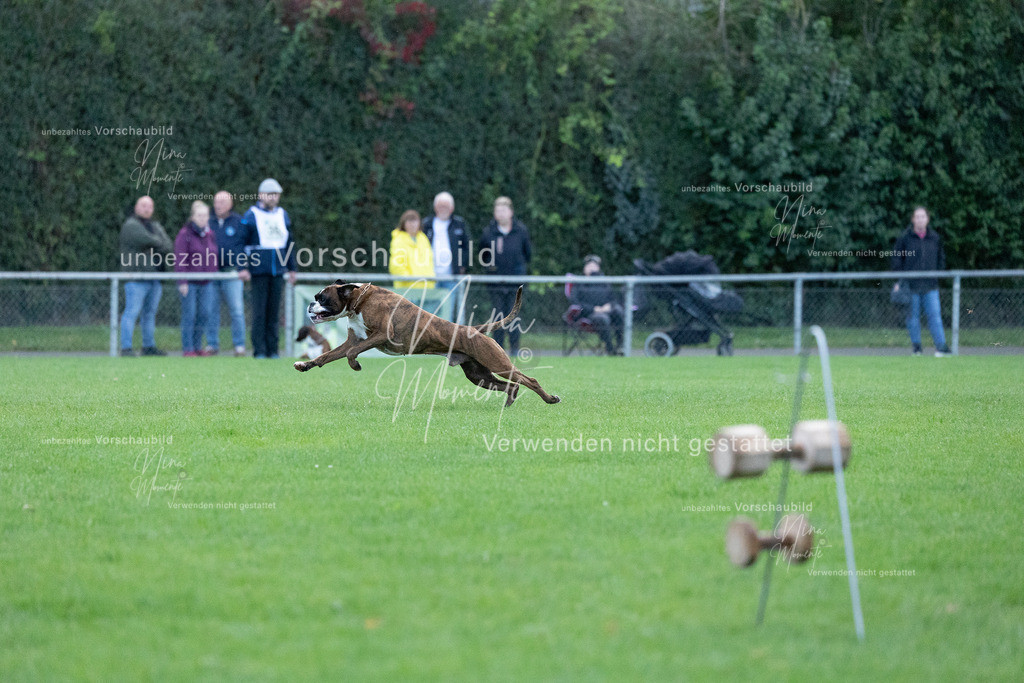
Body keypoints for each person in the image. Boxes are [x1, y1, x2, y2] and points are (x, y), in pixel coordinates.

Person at [240, 178, 297, 359]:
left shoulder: (283, 215)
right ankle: (260, 350)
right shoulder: (251, 215)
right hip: (258, 270)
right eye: (270, 194)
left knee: (273, 313)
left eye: (276, 195)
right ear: (261, 195)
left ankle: (273, 350)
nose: (273, 198)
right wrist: (243, 266)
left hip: (278, 271)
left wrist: (292, 268)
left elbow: (288, 243)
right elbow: (242, 243)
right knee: (259, 313)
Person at [892, 206, 951, 357]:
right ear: (913, 219)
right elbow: (897, 260)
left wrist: (938, 274)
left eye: (923, 216)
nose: (920, 219)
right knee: (913, 318)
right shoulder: (905, 238)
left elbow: (941, 259)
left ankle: (941, 347)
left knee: (935, 316)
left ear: (927, 219)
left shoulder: (935, 238)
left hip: (930, 286)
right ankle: (917, 348)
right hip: (911, 286)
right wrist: (900, 280)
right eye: (917, 217)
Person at [119, 195, 173, 357]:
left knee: (149, 314)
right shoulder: (131, 226)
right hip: (136, 277)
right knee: (132, 312)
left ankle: (148, 346)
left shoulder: (155, 226)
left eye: (150, 206)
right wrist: (157, 242)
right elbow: (147, 240)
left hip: (155, 276)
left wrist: (155, 243)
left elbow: (168, 245)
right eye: (143, 206)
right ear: (136, 208)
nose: (147, 209)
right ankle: (126, 348)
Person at [479, 196, 531, 356]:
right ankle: (498, 350)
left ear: (510, 212)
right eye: (497, 210)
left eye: (503, 210)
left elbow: (527, 254)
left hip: (515, 284)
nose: (500, 214)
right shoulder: (489, 232)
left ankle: (515, 349)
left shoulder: (520, 231)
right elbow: (483, 255)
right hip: (496, 284)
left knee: (514, 316)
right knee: (498, 317)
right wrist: (492, 269)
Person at [173, 201, 219, 356]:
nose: (203, 218)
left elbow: (213, 254)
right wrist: (182, 281)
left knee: (204, 314)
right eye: (199, 215)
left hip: (206, 282)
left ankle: (198, 346)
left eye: (205, 215)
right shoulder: (184, 234)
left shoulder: (210, 234)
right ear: (192, 217)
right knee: (190, 315)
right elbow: (180, 259)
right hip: (190, 282)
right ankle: (188, 348)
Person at [210, 191, 249, 357]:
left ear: (231, 204)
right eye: (217, 202)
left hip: (232, 273)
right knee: (211, 310)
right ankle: (212, 345)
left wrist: (243, 267)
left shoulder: (239, 222)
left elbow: (244, 247)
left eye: (223, 202)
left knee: (237, 311)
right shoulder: (208, 221)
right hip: (211, 274)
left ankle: (239, 346)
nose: (218, 205)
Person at [421, 191, 470, 321]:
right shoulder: (426, 224)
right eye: (440, 205)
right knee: (430, 312)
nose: (443, 208)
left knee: (448, 312)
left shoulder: (459, 224)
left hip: (451, 277)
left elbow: (467, 247)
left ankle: (447, 340)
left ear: (452, 208)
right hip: (431, 277)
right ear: (435, 207)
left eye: (446, 206)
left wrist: (462, 266)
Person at [571, 254, 624, 355]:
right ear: (584, 269)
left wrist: (609, 306)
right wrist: (594, 309)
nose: (592, 269)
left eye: (594, 266)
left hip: (607, 311)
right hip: (589, 315)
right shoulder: (579, 283)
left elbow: (614, 299)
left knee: (618, 311)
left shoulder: (604, 282)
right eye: (589, 266)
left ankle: (620, 345)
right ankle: (610, 349)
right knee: (603, 318)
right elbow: (575, 302)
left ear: (598, 268)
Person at [389, 209, 435, 291]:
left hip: (427, 288)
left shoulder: (423, 238)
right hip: (408, 289)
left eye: (415, 221)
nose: (413, 225)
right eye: (409, 222)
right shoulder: (398, 239)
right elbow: (397, 265)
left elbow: (429, 260)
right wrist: (409, 280)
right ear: (404, 224)